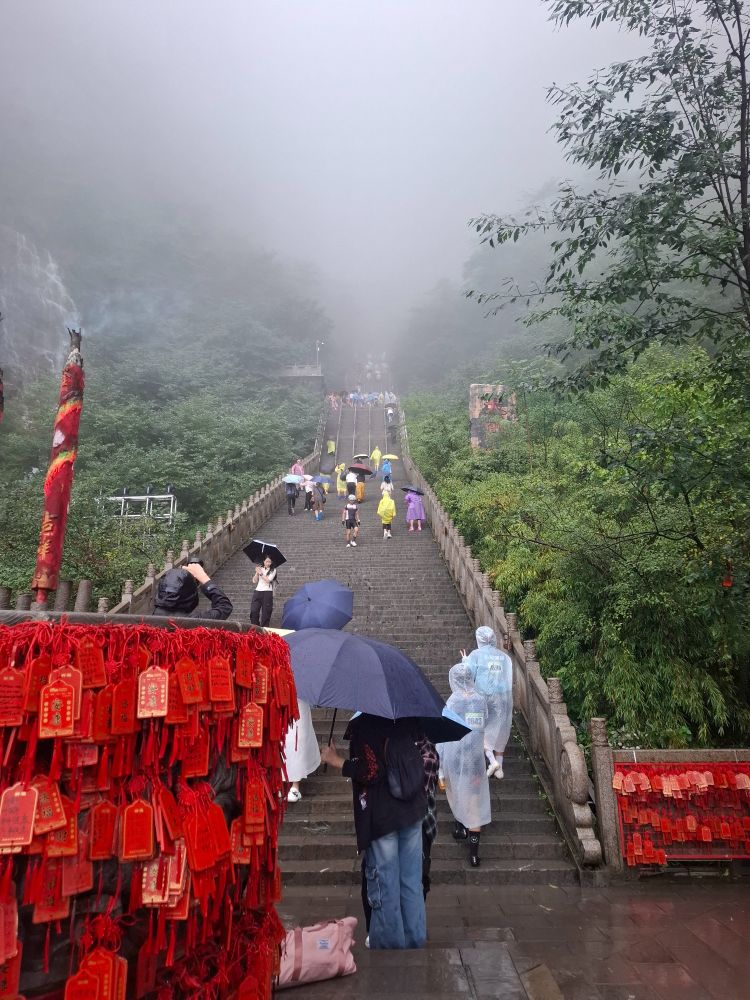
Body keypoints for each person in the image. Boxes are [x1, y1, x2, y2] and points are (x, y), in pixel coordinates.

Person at [321, 714, 427, 950]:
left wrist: (336, 760)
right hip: (412, 807)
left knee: (385, 879)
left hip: (383, 814)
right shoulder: (405, 720)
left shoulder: (364, 725)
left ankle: (390, 941)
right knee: (411, 879)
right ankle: (414, 936)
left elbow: (371, 771)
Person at [436, 663, 491, 868]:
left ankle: (460, 826)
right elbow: (483, 722)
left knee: (457, 791)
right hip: (475, 759)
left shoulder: (453, 702)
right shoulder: (480, 700)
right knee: (475, 802)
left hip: (456, 757)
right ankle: (474, 854)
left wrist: (440, 765)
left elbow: (443, 733)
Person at [461, 627, 513, 779]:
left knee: (480, 730)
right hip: (502, 698)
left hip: (482, 697)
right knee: (499, 730)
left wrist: (465, 661)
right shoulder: (504, 657)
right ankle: (499, 768)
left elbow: (467, 674)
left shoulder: (476, 655)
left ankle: (491, 760)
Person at [153, 560, 233, 620]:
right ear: (191, 595)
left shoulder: (146, 622)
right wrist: (203, 577)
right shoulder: (196, 621)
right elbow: (225, 607)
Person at [284, 699, 321, 802]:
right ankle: (281, 784)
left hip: (300, 700)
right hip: (280, 697)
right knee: (283, 739)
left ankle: (295, 785)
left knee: (298, 739)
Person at [250, 556, 277, 626]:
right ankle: (256, 628)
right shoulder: (260, 568)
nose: (268, 563)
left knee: (266, 613)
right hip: (258, 591)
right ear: (263, 561)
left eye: (270, 562)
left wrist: (261, 573)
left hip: (267, 592)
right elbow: (254, 581)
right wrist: (257, 572)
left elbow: (268, 580)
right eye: (267, 561)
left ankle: (264, 629)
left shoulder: (273, 570)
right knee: (254, 611)